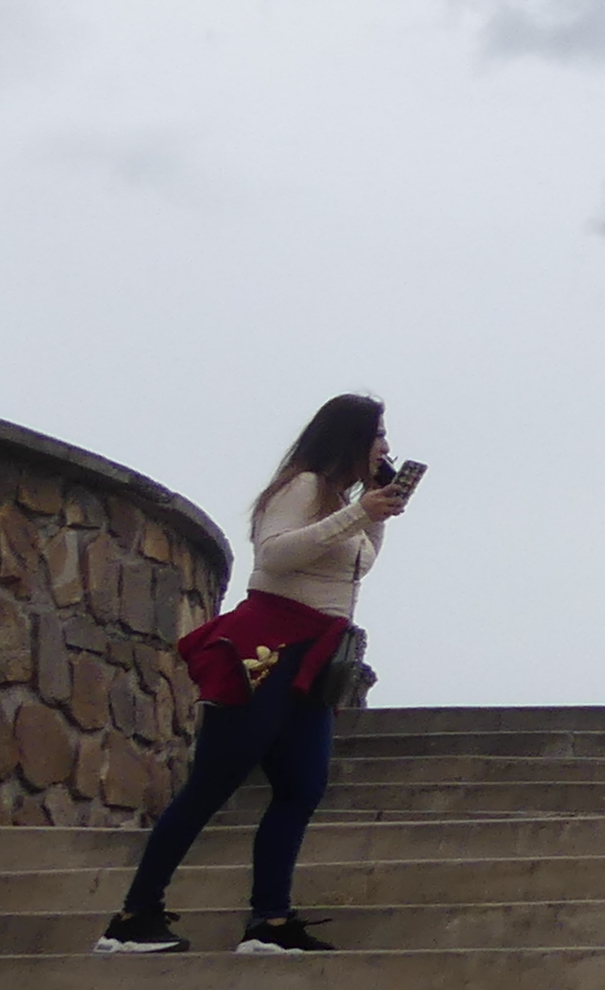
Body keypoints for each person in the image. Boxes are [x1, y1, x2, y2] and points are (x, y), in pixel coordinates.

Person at [97, 394, 416, 955]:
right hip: (267, 648)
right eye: (378, 434)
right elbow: (274, 556)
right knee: (212, 784)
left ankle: (269, 920)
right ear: (350, 438)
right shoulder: (303, 487)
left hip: (313, 657)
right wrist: (359, 512)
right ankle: (133, 916)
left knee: (302, 787)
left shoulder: (342, 500)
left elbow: (359, 560)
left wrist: (374, 509)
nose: (386, 445)